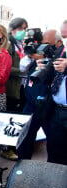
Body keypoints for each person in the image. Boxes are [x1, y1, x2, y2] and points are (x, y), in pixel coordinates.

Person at [17, 29, 63, 160]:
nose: (43, 47)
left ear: (58, 43)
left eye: (47, 43)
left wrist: (50, 63)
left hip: (48, 107)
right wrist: (31, 57)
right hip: (31, 105)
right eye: (42, 43)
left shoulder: (60, 59)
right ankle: (22, 169)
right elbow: (23, 68)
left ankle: (52, 172)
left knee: (54, 145)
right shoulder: (37, 57)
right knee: (24, 139)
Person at [44, 21, 67, 165]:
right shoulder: (61, 50)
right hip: (57, 110)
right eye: (63, 36)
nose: (64, 39)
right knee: (54, 152)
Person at [6, 17, 28, 112]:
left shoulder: (21, 45)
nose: (23, 31)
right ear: (12, 30)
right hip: (11, 89)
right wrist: (22, 71)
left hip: (20, 86)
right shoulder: (8, 44)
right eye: (20, 29)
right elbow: (6, 68)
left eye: (24, 29)